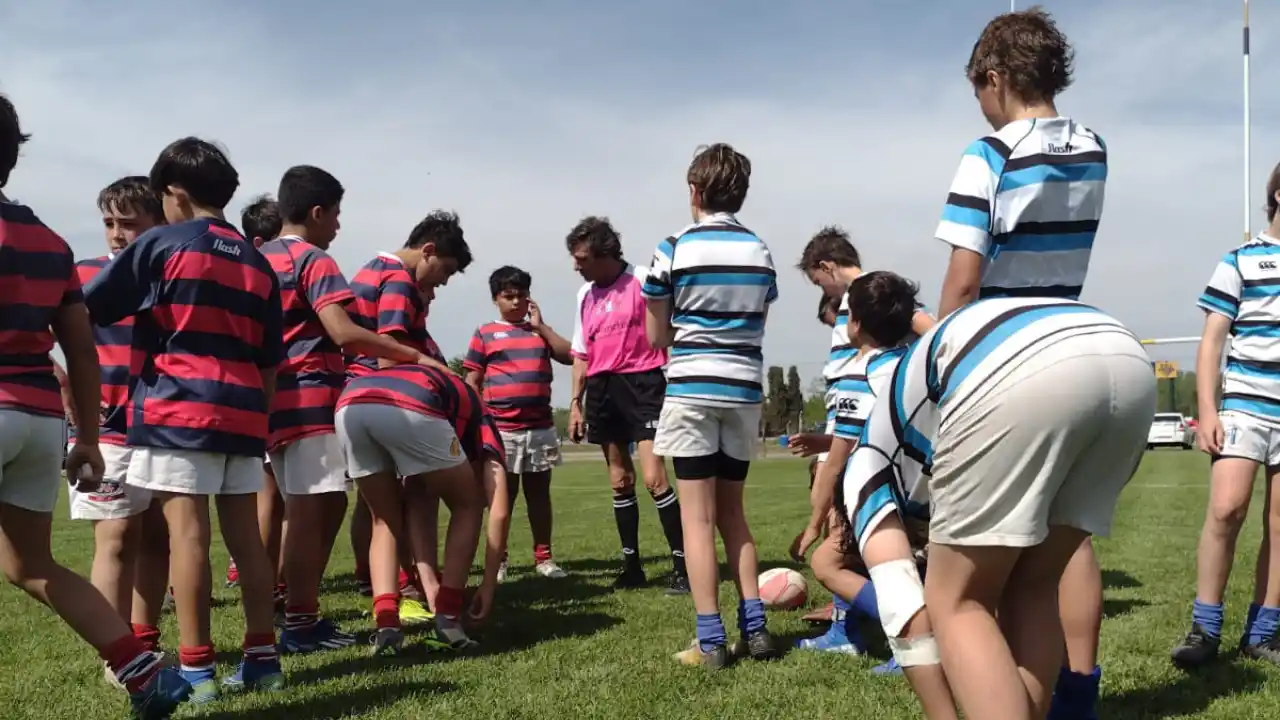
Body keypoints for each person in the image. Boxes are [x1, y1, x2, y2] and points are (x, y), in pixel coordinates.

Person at [844, 294, 1153, 720]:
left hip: (1018, 364)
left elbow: (904, 611)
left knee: (957, 601)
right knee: (1034, 584)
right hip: (1125, 356)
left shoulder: (863, 471)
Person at [933, 11, 1112, 717]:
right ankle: (1075, 698)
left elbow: (964, 281)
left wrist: (939, 361)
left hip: (1004, 357)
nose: (979, 102)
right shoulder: (1095, 146)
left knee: (964, 594)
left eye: (980, 87)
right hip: (1076, 337)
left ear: (998, 78)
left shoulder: (987, 152)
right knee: (1053, 560)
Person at [0, 93, 190, 718]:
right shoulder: (51, 245)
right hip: (39, 421)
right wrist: (83, 436)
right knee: (32, 565)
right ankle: (145, 672)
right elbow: (82, 353)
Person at [84, 137, 286, 702]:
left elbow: (90, 307)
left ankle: (197, 672)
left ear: (172, 192)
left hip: (179, 410)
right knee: (247, 540)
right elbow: (271, 359)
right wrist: (254, 414)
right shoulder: (257, 260)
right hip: (244, 415)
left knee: (187, 536)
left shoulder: (165, 243)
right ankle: (262, 659)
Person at [261, 165, 434, 654]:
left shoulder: (258, 260)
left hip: (275, 401)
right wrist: (412, 355)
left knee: (321, 503)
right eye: (335, 216)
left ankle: (298, 615)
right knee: (308, 508)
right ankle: (298, 624)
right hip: (310, 395)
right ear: (316, 213)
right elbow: (342, 331)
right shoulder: (312, 260)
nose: (338, 227)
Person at [642, 142, 777, 667]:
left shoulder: (672, 247)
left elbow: (657, 336)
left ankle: (711, 640)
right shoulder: (760, 250)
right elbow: (757, 323)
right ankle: (757, 629)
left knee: (697, 521)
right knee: (734, 515)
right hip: (744, 389)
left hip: (694, 388)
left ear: (694, 190)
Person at [1173, 161, 1280, 668]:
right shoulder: (1240, 260)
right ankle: (1205, 628)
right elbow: (1212, 340)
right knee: (1227, 509)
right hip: (1245, 405)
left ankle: (1264, 632)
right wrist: (1207, 411)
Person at [71, 176, 175, 683]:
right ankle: (117, 656)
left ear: (160, 223)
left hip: (163, 428)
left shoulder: (173, 279)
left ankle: (144, 641)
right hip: (107, 430)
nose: (116, 234)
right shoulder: (84, 275)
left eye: (128, 224)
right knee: (115, 539)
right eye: (109, 223)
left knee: (157, 537)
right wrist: (72, 402)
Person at [345, 210, 472, 622]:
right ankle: (426, 593)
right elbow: (390, 352)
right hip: (392, 403)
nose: (444, 281)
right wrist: (434, 370)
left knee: (377, 510)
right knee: (426, 498)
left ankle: (388, 600)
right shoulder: (399, 278)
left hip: (351, 404)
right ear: (428, 251)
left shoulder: (371, 267)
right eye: (446, 270)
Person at [335, 364, 508, 655]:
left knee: (384, 521)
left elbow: (417, 499)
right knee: (469, 504)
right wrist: (488, 585)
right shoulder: (482, 419)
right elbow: (499, 509)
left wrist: (430, 584)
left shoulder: (453, 411)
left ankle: (387, 627)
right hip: (410, 402)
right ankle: (449, 626)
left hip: (350, 402)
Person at [565, 216, 689, 594]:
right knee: (620, 481)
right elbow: (581, 353)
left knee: (655, 479)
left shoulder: (642, 278)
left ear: (605, 253)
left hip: (644, 383)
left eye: (582, 257)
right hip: (602, 389)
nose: (576, 265)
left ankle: (683, 568)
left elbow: (670, 329)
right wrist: (575, 402)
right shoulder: (584, 295)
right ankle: (632, 566)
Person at [792, 273, 913, 656]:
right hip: (918, 490)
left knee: (826, 562)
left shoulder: (857, 375)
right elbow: (878, 431)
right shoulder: (912, 366)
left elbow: (837, 461)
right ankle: (849, 634)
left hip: (878, 497)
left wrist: (813, 524)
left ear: (854, 322)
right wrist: (824, 440)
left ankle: (916, 629)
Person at [464, 266, 573, 581]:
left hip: (540, 428)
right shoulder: (485, 333)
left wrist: (542, 327)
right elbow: (472, 379)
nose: (515, 302)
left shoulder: (538, 332)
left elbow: (570, 356)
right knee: (502, 497)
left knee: (539, 495)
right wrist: (476, 421)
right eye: (508, 296)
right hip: (501, 429)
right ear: (496, 299)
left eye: (522, 296)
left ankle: (544, 558)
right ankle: (499, 559)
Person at [226, 195, 286, 618]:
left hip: (248, 400)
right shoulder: (263, 270)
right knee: (267, 500)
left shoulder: (243, 269)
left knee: (267, 498)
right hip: (256, 400)